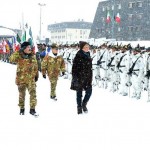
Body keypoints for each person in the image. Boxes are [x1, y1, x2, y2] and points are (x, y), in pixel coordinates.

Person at [9, 41, 39, 116]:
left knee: (33, 94)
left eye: (30, 47)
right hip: (21, 79)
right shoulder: (19, 55)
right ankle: (22, 109)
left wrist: (36, 75)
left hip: (31, 79)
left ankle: (32, 109)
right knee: (22, 95)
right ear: (23, 48)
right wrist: (17, 51)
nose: (30, 48)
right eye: (28, 47)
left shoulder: (32, 56)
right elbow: (11, 59)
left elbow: (35, 66)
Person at [70, 41, 92, 114]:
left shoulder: (88, 54)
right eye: (86, 47)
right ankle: (79, 107)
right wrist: (75, 77)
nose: (87, 48)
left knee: (89, 91)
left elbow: (90, 68)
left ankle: (84, 104)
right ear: (82, 48)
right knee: (79, 93)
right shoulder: (78, 55)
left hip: (87, 77)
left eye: (88, 47)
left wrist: (90, 76)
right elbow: (74, 68)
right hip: (79, 77)